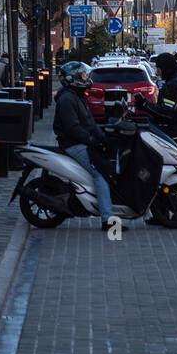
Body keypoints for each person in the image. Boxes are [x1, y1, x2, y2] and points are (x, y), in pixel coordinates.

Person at [53, 62, 114, 230]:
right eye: (82, 75)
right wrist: (92, 141)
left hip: (81, 141)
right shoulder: (67, 99)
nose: (86, 78)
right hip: (73, 144)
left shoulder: (78, 96)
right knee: (100, 174)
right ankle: (107, 219)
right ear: (72, 78)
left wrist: (103, 137)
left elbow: (90, 124)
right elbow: (73, 128)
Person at [135, 52, 177, 158]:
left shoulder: (175, 85)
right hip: (174, 134)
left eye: (159, 68)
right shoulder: (173, 81)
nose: (157, 72)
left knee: (173, 168)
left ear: (166, 68)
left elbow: (167, 113)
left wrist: (145, 105)